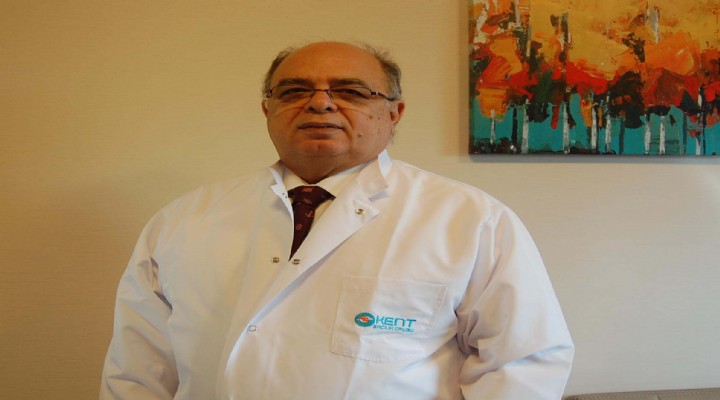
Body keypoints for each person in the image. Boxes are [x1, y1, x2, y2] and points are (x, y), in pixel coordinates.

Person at [100, 41, 574, 399]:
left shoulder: (471, 220)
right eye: (294, 91)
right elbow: (138, 371)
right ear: (268, 110)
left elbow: (523, 364)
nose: (320, 103)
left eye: (350, 91)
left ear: (394, 113)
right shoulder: (182, 221)